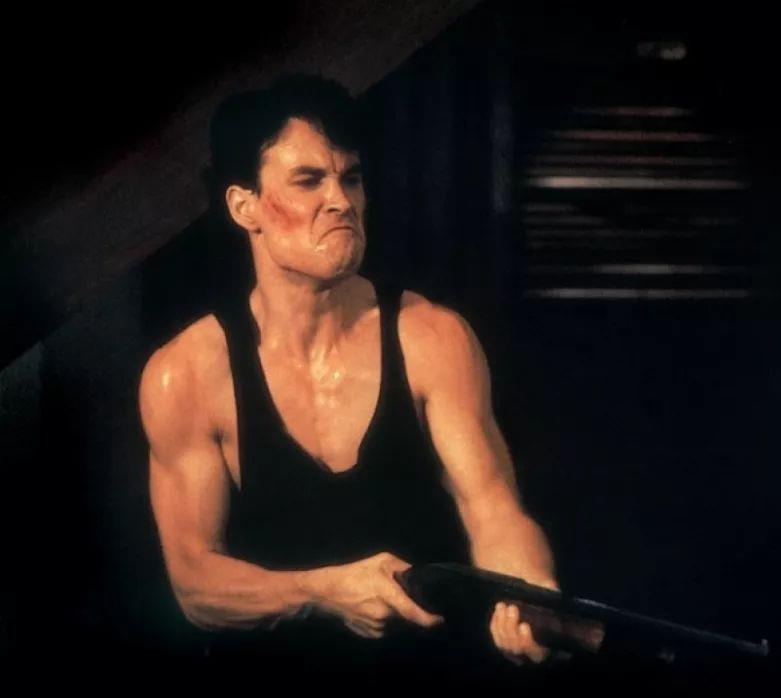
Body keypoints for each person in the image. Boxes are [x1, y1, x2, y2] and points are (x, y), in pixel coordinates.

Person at [138, 75, 557, 672]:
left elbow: (492, 507)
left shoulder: (431, 337)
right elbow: (194, 585)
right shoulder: (185, 374)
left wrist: (529, 593)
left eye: (351, 178)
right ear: (244, 206)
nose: (340, 200)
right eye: (309, 180)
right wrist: (321, 590)